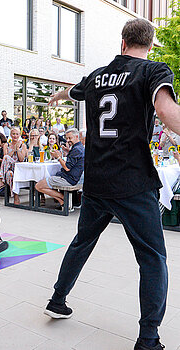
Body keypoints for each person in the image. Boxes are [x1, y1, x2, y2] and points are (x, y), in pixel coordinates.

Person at [44, 18, 180, 350]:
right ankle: (148, 337)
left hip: (97, 182)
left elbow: (72, 90)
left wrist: (57, 96)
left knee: (82, 242)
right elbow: (165, 111)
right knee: (151, 258)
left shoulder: (97, 76)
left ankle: (57, 299)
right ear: (150, 45)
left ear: (122, 43)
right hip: (133, 183)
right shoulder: (152, 71)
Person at [35, 128, 84, 209]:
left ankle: (64, 198)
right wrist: (68, 151)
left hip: (69, 179)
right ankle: (62, 201)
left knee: (38, 186)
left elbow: (67, 168)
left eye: (70, 138)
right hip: (74, 178)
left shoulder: (76, 149)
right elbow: (75, 159)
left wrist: (58, 157)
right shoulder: (79, 147)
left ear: (76, 136)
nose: (68, 140)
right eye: (67, 138)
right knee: (50, 177)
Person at [0, 127, 27, 205]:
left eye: (17, 134)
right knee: (9, 174)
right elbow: (5, 158)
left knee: (7, 158)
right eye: (13, 134)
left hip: (18, 168)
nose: (15, 136)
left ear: (19, 135)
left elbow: (21, 159)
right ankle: (16, 197)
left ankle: (1, 180)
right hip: (8, 168)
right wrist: (13, 149)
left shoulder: (23, 145)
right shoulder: (6, 145)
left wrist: (17, 149)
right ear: (10, 135)